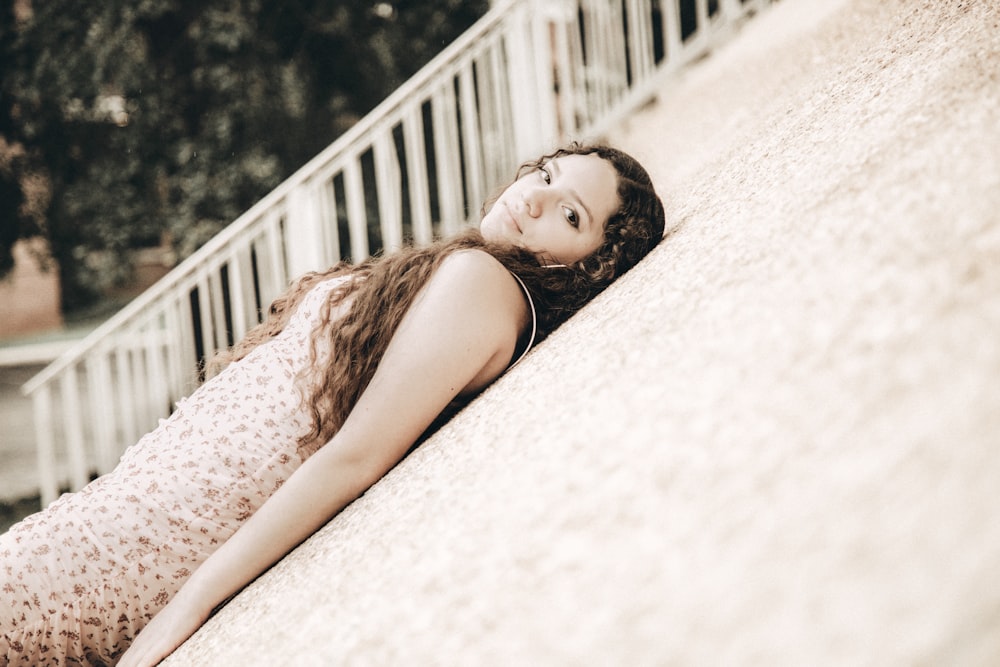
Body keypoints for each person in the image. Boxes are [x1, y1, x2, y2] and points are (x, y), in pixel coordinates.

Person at [0, 142, 665, 666]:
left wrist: (186, 606)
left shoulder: (485, 284)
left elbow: (356, 456)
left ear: (590, 269)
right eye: (545, 174)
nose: (537, 198)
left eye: (571, 214)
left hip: (145, 541)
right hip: (124, 516)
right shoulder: (465, 272)